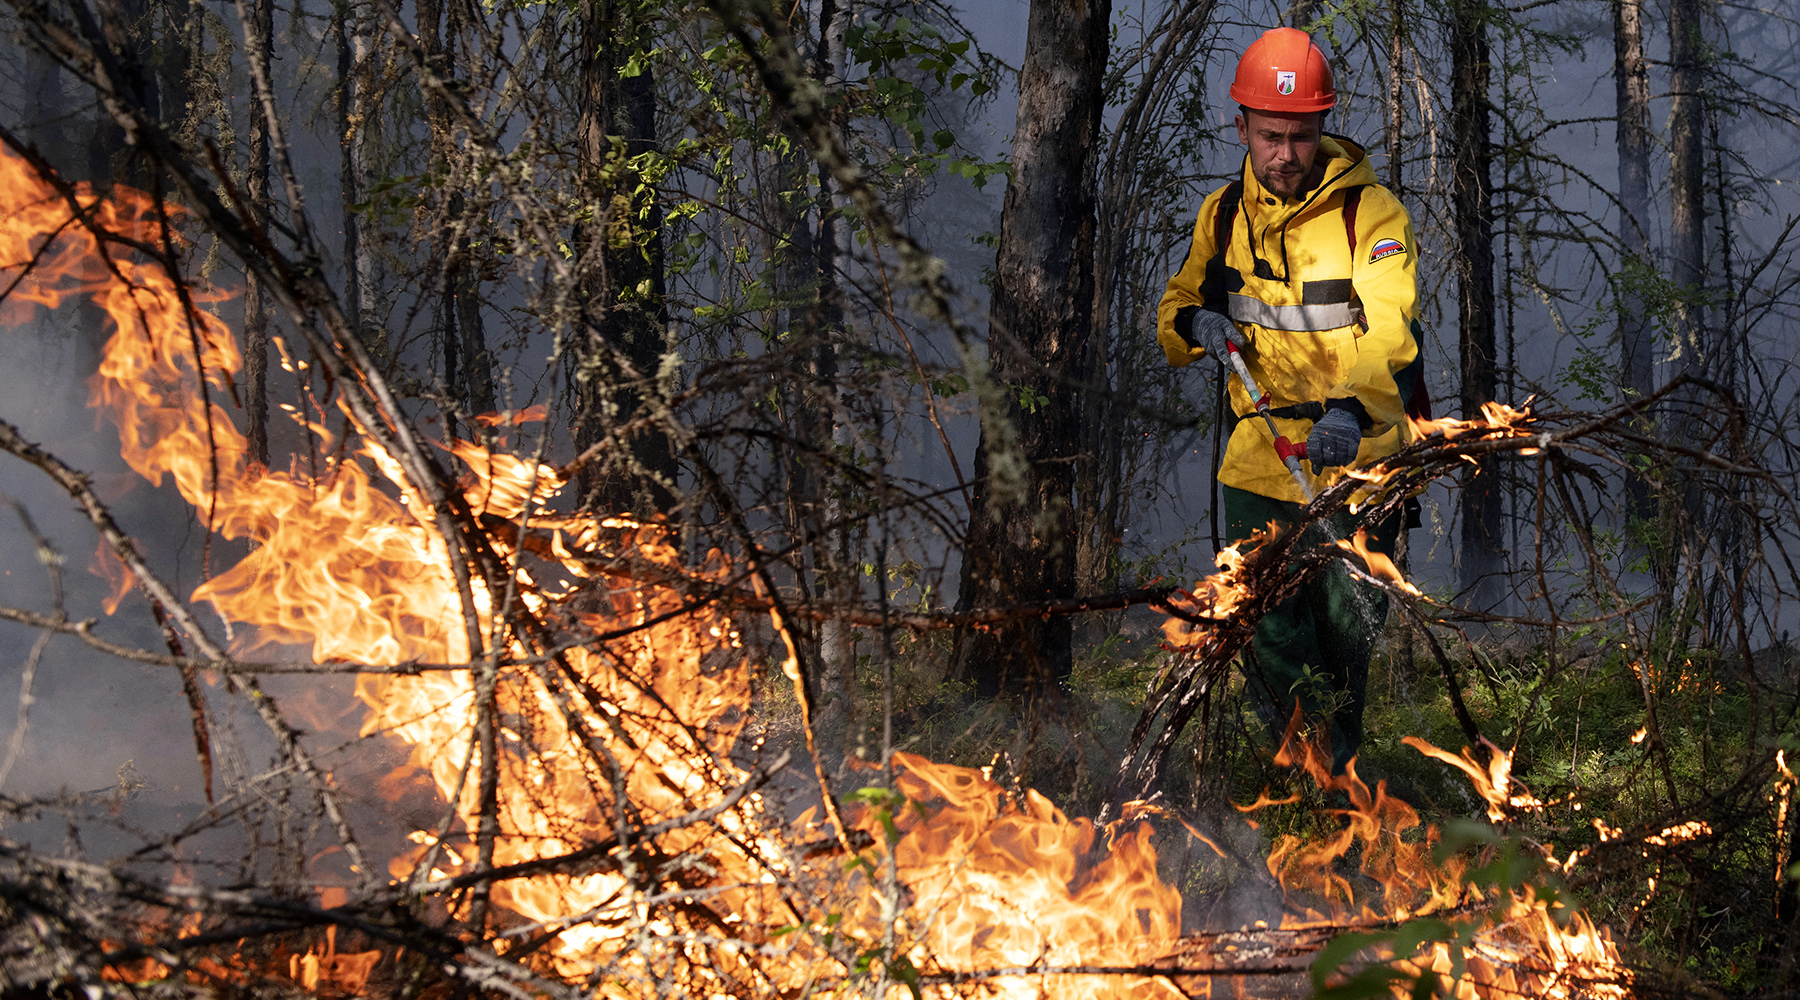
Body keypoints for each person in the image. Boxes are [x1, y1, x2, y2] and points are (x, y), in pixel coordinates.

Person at [1156, 27, 1426, 772]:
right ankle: (1321, 784)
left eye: (1300, 137)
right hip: (1256, 466)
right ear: (1240, 125)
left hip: (1359, 464)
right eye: (1271, 135)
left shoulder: (1370, 216)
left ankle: (1338, 782)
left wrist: (1348, 408)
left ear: (1322, 129)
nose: (1285, 154)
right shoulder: (1221, 218)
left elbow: (1390, 328)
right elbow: (1175, 311)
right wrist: (1196, 321)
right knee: (1268, 631)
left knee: (1346, 638)